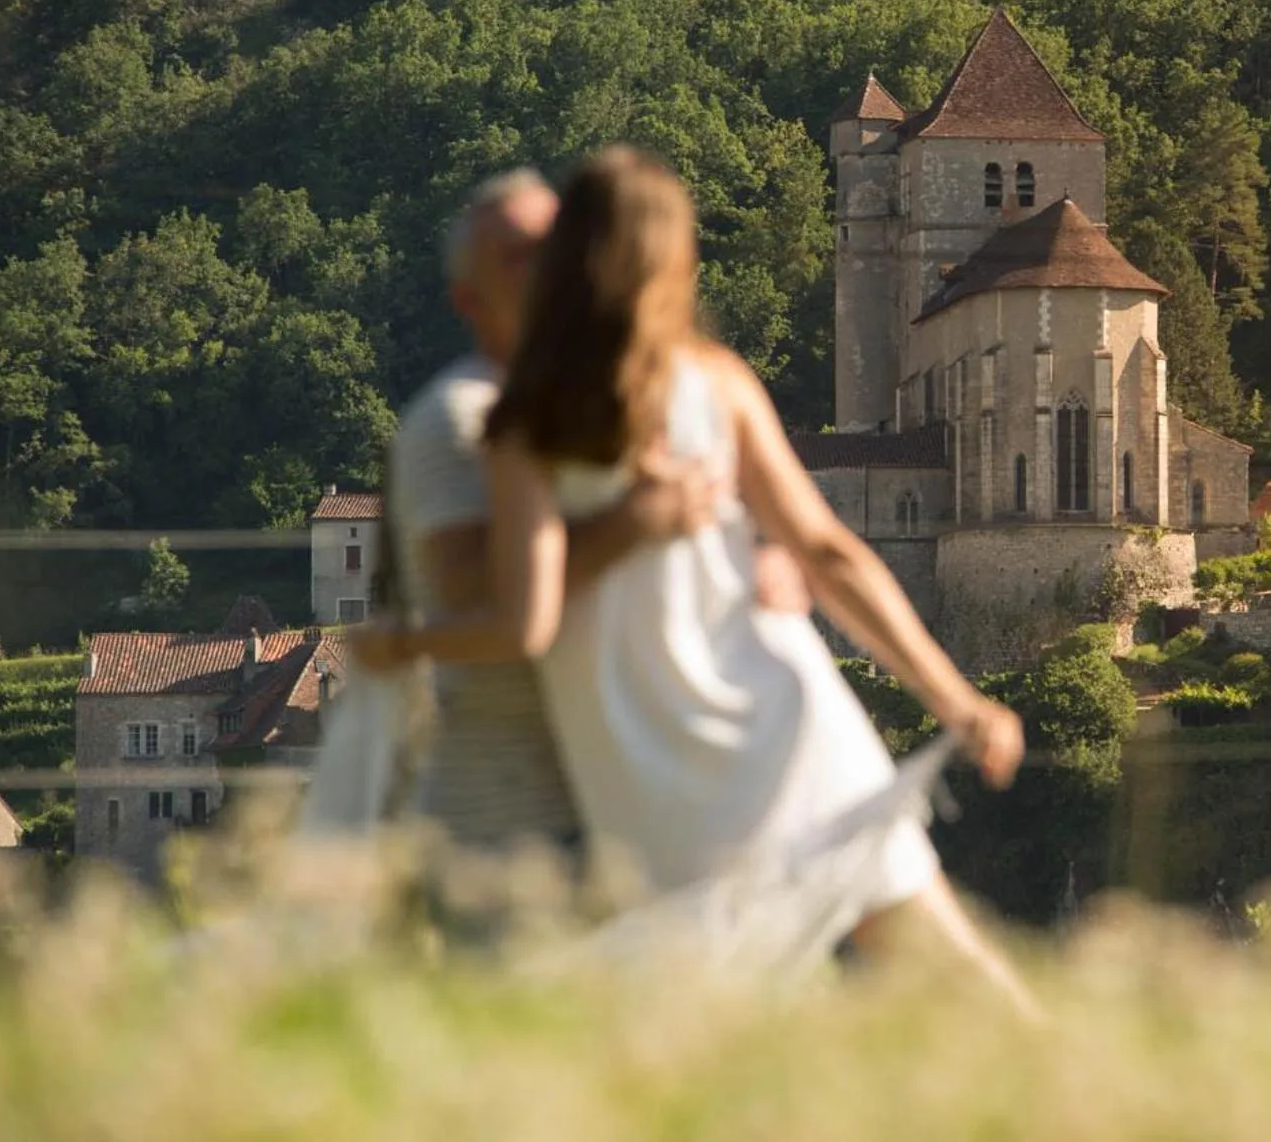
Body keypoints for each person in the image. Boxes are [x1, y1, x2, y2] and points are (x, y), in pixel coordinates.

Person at [353, 149, 1034, 1010]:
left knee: (708, 1015)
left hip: (645, 768)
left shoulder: (523, 425)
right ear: (677, 263)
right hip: (786, 713)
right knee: (947, 965)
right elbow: (831, 553)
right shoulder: (717, 383)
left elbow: (524, 624)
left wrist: (399, 641)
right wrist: (956, 699)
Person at [383, 169, 811, 858]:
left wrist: (748, 565)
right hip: (508, 814)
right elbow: (479, 598)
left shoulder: (615, 398)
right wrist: (640, 522)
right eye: (516, 256)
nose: (549, 268)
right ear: (468, 298)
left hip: (625, 786)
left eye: (558, 245)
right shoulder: (459, 419)